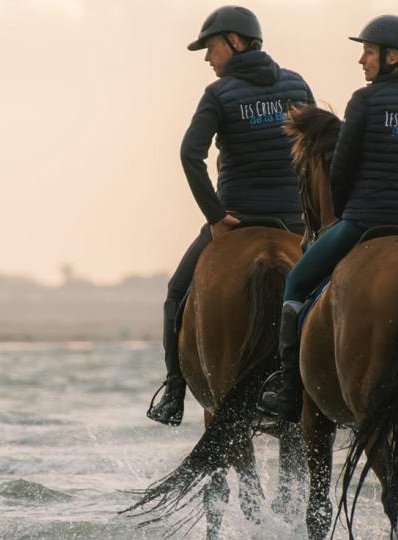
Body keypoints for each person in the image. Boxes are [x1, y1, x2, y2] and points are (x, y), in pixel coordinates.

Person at [259, 15, 398, 421]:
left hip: (363, 221)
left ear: (391, 56)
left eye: (368, 52)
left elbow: (341, 170)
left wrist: (344, 214)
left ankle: (287, 390)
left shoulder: (365, 101)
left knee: (297, 280)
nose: (361, 60)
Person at [147, 5, 314, 425]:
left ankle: (174, 393)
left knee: (175, 293)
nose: (208, 58)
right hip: (295, 223)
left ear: (235, 42)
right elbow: (317, 152)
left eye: (211, 47)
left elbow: (190, 155)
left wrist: (217, 217)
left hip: (239, 220)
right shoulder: (296, 85)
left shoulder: (218, 95)